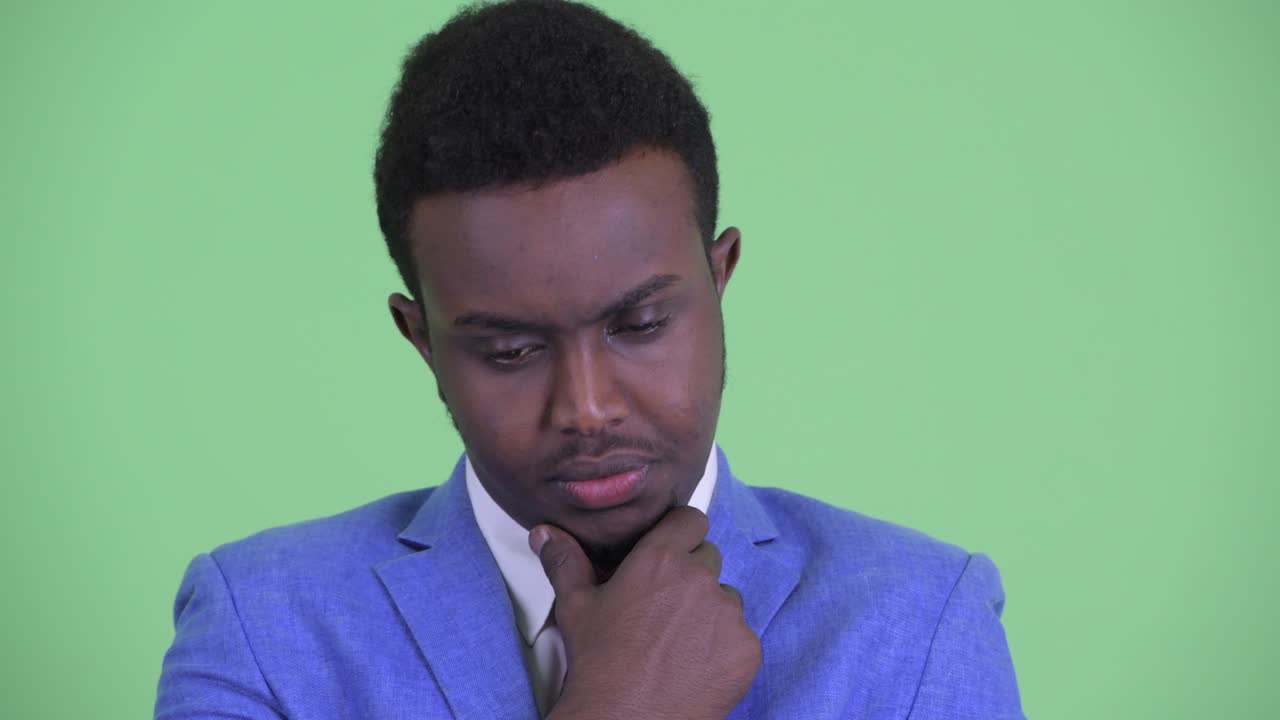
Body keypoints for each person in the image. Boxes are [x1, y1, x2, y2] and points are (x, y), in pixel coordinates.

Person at [154, 1, 1025, 718]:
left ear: (719, 281)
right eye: (511, 349)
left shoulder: (919, 623)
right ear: (422, 339)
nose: (588, 406)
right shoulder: (261, 626)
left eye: (640, 324)